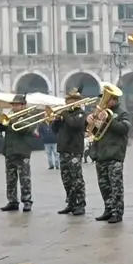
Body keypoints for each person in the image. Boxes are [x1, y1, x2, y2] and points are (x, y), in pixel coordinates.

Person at [89, 89, 131, 224]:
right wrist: (90, 121)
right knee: (104, 185)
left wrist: (108, 119)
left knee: (115, 186)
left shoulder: (122, 112)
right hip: (100, 154)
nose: (104, 103)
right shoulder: (100, 111)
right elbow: (93, 132)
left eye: (107, 100)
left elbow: (124, 129)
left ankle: (117, 212)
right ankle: (108, 209)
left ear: (114, 100)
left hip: (114, 154)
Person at [0, 94, 35, 212]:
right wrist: (1, 122)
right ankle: (12, 201)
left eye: (17, 105)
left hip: (22, 151)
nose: (14, 107)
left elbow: (26, 128)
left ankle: (27, 201)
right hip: (10, 151)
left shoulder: (30, 116)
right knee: (10, 179)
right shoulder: (10, 116)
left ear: (23, 106)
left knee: (25, 179)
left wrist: (11, 120)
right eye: (13, 105)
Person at [52, 88, 87, 216]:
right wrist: (56, 120)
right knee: (66, 179)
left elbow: (75, 125)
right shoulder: (64, 116)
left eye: (71, 101)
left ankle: (80, 204)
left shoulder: (80, 114)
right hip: (63, 150)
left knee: (76, 178)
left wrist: (65, 113)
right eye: (67, 101)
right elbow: (55, 130)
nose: (68, 103)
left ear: (78, 102)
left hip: (74, 150)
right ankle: (71, 203)